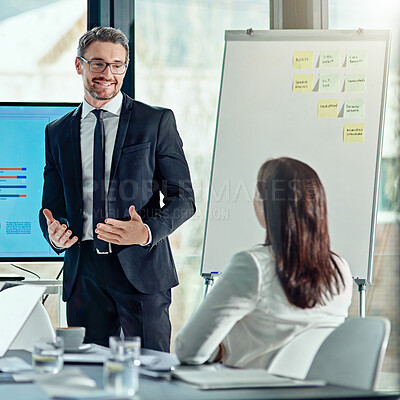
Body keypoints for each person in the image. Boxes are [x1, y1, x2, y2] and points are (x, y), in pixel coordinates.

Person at [39, 26, 195, 351]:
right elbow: (51, 209)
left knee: (152, 373)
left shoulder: (154, 122)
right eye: (97, 63)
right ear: (79, 65)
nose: (107, 73)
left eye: (117, 65)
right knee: (88, 377)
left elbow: (184, 199)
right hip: (83, 275)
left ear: (125, 67)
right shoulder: (57, 132)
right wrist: (53, 233)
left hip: (141, 267)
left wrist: (147, 231)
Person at [174, 157, 352, 367]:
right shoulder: (340, 269)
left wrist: (223, 347)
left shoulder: (253, 266)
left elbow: (188, 350)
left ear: (267, 205)